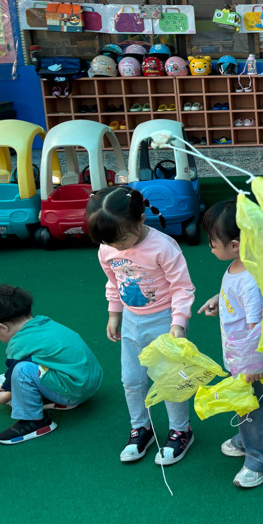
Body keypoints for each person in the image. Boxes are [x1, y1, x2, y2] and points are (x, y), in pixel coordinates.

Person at [87, 185, 195, 466]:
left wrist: (178, 323)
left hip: (165, 321)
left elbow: (182, 287)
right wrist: (114, 314)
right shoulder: (108, 248)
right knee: (132, 380)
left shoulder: (163, 246)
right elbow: (114, 282)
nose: (116, 247)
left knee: (170, 379)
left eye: (121, 239)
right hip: (131, 321)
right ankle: (141, 428)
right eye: (109, 241)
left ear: (141, 220)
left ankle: (180, 430)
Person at [198, 199, 263, 489]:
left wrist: (254, 364)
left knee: (254, 405)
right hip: (241, 355)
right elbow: (239, 302)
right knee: (244, 400)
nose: (209, 247)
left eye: (212, 242)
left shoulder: (250, 279)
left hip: (253, 360)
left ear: (234, 245)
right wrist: (219, 300)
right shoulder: (239, 267)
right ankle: (249, 439)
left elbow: (258, 326)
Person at [0, 284, 103, 444]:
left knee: (22, 370)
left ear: (1, 327)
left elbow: (15, 372)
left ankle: (34, 421)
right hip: (90, 383)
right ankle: (54, 399)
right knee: (30, 365)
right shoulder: (45, 321)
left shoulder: (18, 342)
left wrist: (6, 394)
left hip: (75, 391)